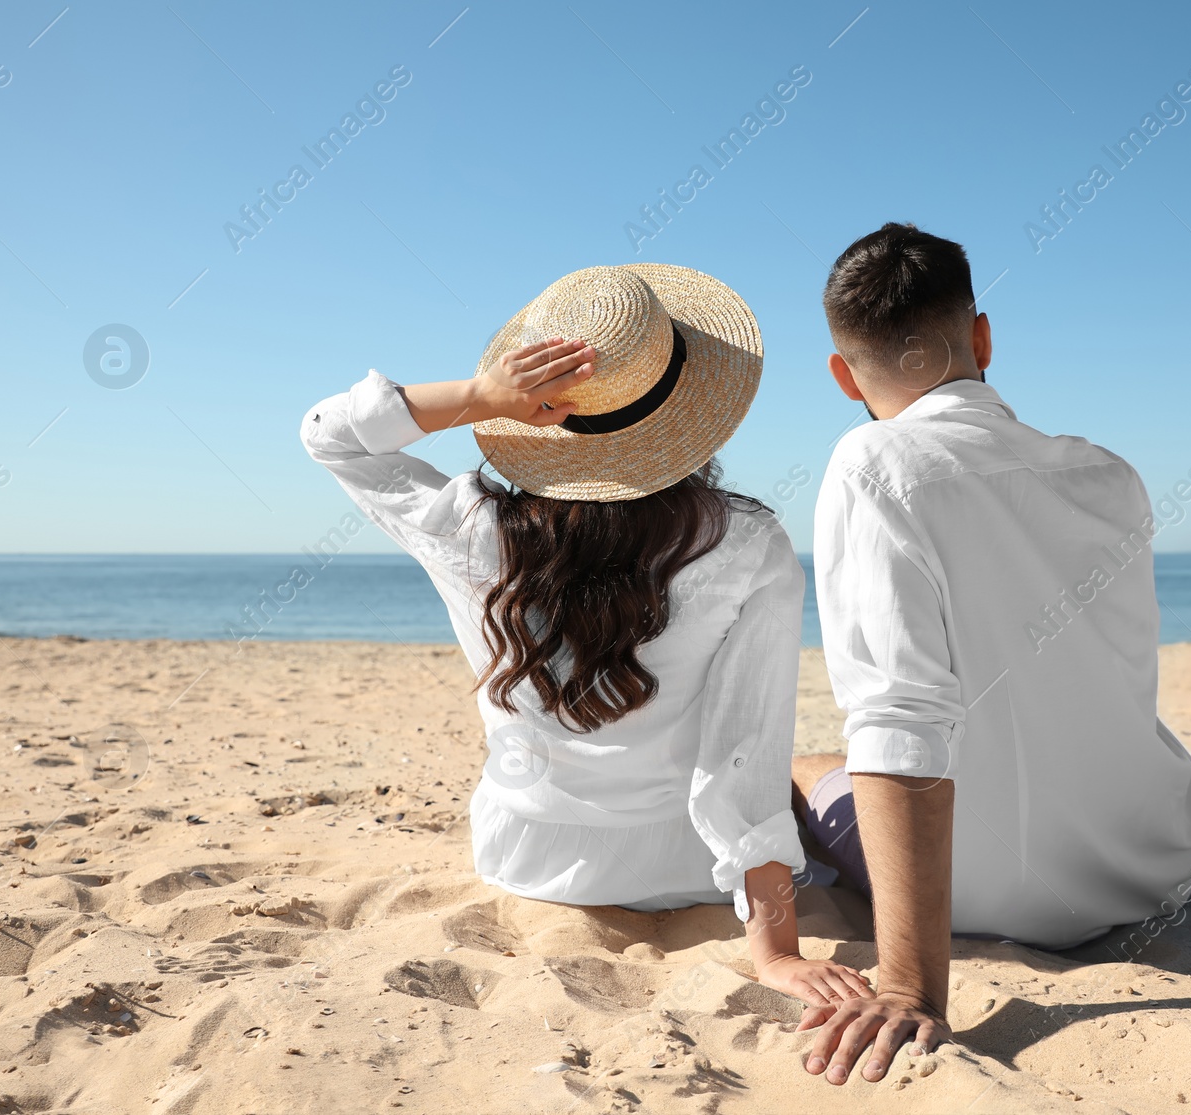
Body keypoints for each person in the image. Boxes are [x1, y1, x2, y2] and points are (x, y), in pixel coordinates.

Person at [301, 264, 870, 1009]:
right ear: (687, 403)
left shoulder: (472, 529)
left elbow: (330, 436)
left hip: (526, 860)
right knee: (816, 774)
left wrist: (478, 397)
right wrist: (775, 952)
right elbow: (745, 752)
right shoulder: (747, 544)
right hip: (690, 868)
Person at [795, 224, 1191, 1084]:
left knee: (795, 763)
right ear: (982, 337)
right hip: (1147, 866)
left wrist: (911, 984)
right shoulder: (1110, 473)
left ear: (843, 375)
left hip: (985, 894)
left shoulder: (872, 463)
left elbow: (897, 716)